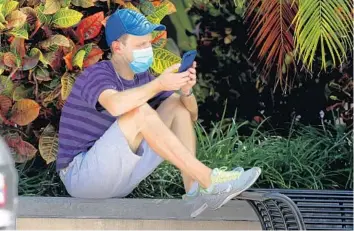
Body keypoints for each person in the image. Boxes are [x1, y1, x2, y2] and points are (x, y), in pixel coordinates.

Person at [56, 8, 261, 217]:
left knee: (175, 105)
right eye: (140, 45)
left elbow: (191, 116)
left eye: (148, 43)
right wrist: (158, 85)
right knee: (139, 112)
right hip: (82, 178)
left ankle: (194, 193)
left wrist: (186, 91)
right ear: (118, 47)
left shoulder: (142, 77)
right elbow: (115, 105)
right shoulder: (98, 74)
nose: (148, 49)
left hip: (122, 178)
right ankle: (209, 179)